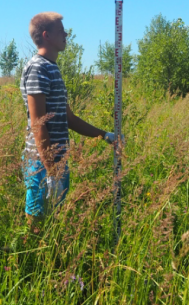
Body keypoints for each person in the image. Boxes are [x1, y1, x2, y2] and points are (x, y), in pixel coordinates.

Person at [20, 12, 117, 231]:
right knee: (36, 224)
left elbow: (69, 118)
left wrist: (104, 135)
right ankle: (27, 263)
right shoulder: (38, 68)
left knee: (52, 225)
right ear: (46, 35)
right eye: (61, 30)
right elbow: (38, 124)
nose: (66, 34)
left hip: (56, 161)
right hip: (42, 162)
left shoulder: (51, 68)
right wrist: (50, 169)